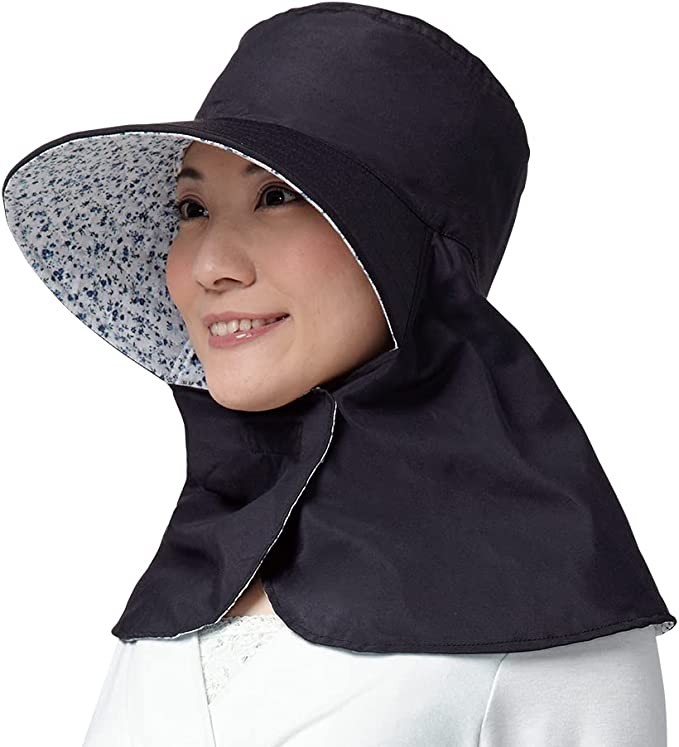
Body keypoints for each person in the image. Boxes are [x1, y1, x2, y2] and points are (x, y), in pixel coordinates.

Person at [2, 3, 673, 745]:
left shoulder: (547, 613)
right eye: (191, 208)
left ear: (408, 251)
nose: (209, 265)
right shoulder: (193, 579)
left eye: (276, 196)